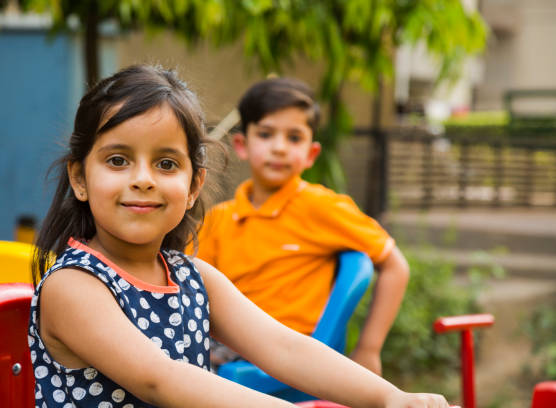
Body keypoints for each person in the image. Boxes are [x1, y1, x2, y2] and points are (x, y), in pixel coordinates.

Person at [29, 64, 448, 408]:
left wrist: (390, 397)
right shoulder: (73, 287)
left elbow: (285, 348)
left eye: (167, 164)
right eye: (118, 160)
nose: (143, 180)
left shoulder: (195, 277)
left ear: (195, 185)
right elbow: (161, 380)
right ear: (80, 178)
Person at [194, 78, 409, 375]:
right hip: (229, 345)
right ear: (242, 145)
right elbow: (192, 290)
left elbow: (395, 267)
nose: (280, 148)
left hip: (293, 354)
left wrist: (369, 350)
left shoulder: (323, 208)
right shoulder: (218, 218)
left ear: (311, 154)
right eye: (266, 134)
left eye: (294, 138)